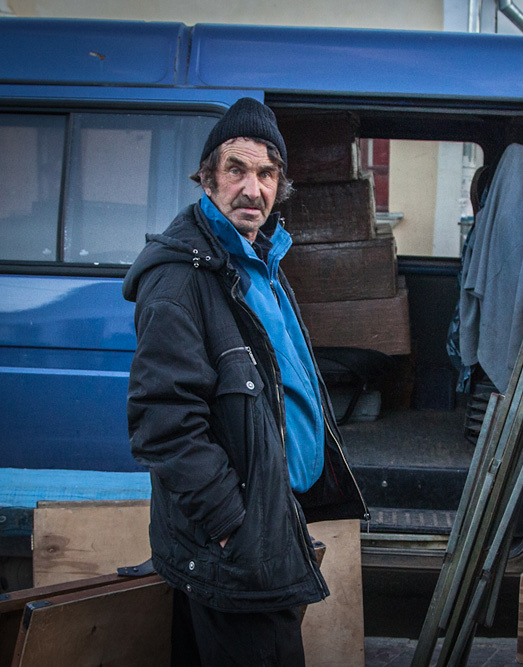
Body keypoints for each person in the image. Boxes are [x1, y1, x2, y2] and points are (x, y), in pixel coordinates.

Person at [123, 97, 366, 667]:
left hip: (268, 519)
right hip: (234, 544)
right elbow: (163, 422)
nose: (252, 189)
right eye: (236, 170)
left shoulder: (259, 263)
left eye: (266, 173)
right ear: (208, 178)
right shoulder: (180, 281)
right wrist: (234, 524)